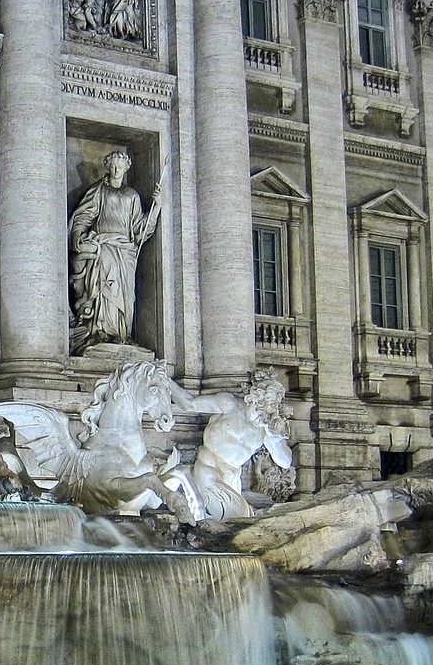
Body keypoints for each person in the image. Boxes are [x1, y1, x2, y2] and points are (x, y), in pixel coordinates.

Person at [68, 150, 161, 352]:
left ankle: (121, 334)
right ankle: (101, 332)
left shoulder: (132, 196)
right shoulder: (99, 190)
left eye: (120, 166)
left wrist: (156, 208)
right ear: (107, 168)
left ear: (126, 168)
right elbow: (84, 216)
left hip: (126, 251)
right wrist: (76, 234)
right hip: (104, 247)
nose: (116, 169)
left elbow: (139, 229)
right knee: (107, 290)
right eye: (113, 166)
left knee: (126, 295)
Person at [171, 371, 294, 520]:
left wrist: (275, 437)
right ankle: (182, 476)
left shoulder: (265, 430)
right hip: (209, 468)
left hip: (232, 479)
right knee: (235, 517)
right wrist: (164, 381)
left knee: (234, 521)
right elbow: (189, 403)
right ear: (258, 398)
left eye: (277, 405)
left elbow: (285, 463)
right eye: (273, 404)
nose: (275, 410)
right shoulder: (230, 405)